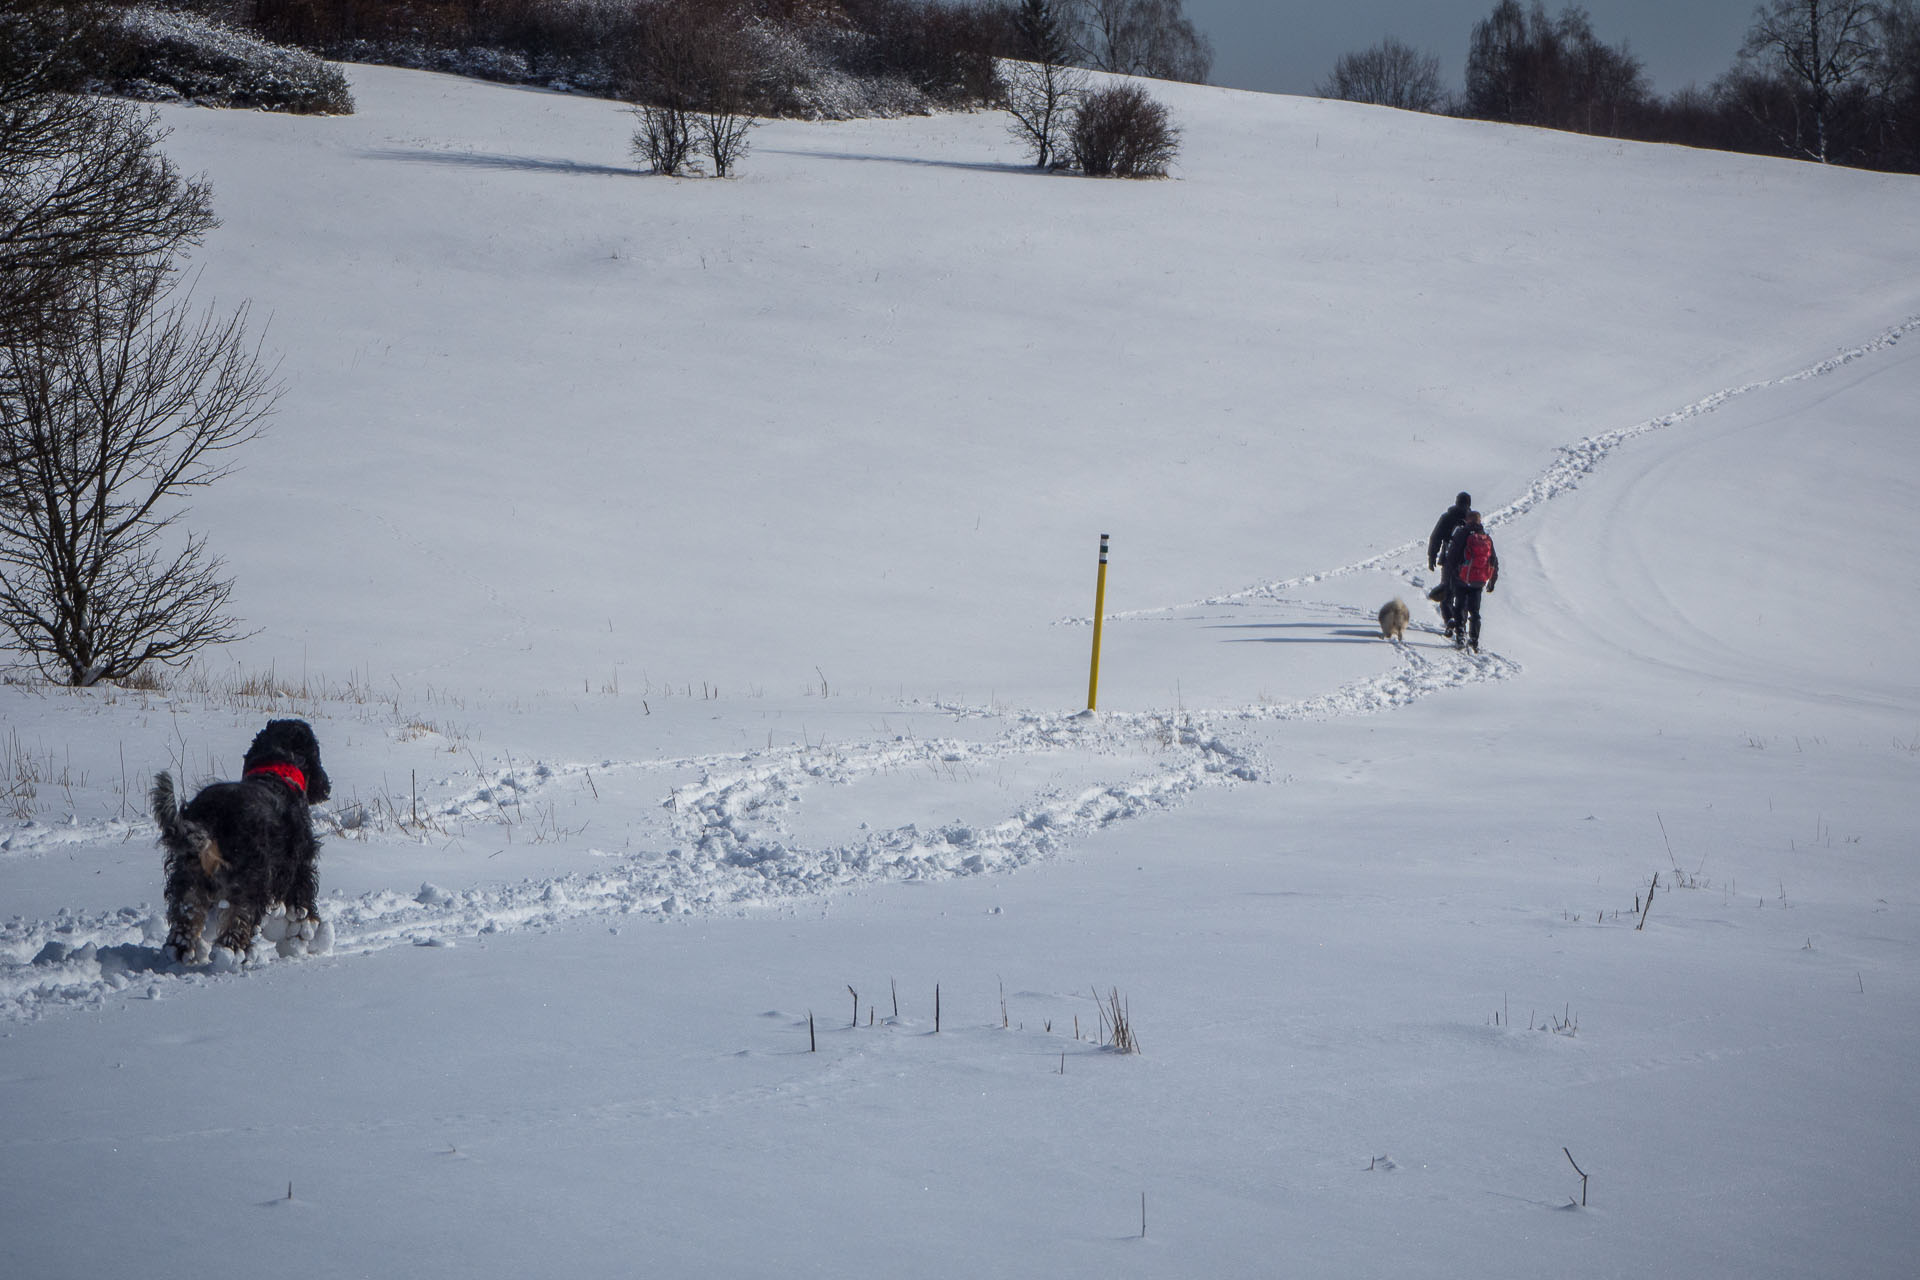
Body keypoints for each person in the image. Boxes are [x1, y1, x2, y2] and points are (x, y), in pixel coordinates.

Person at [1443, 510, 1498, 652]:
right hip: (1479, 581)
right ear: (1479, 521)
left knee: (1460, 606)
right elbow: (1493, 560)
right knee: (1475, 610)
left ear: (1467, 520)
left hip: (1461, 578)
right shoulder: (1486, 537)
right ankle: (1474, 639)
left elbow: (1452, 557)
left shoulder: (1461, 534)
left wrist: (1449, 576)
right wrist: (1492, 580)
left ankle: (1460, 634)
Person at [1426, 491, 1472, 637]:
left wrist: (1432, 556)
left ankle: (1449, 621)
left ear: (1456, 501)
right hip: (1466, 564)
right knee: (1462, 595)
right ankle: (1461, 625)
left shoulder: (1447, 517)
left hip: (1448, 561)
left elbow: (1435, 537)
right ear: (1469, 503)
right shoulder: (1471, 519)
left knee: (1446, 593)